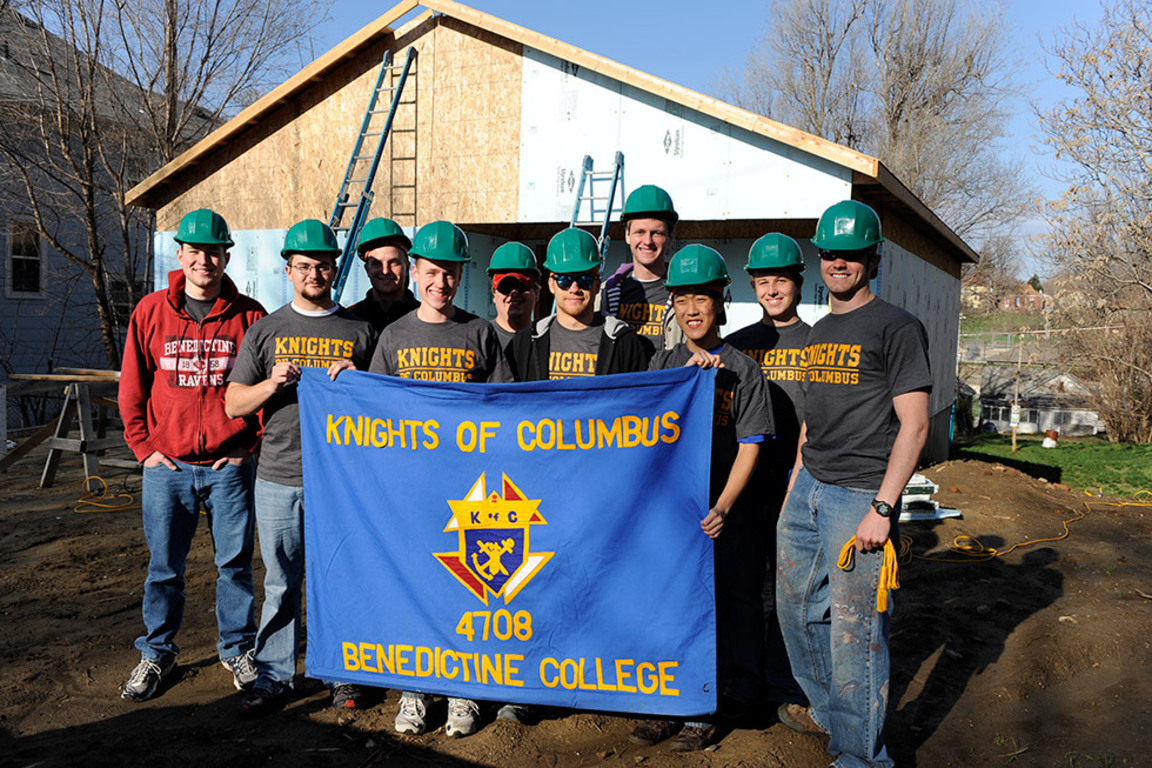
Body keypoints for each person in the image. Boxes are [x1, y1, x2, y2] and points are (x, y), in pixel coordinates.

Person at [775, 200, 931, 768]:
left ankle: (861, 758)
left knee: (856, 631)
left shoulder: (898, 327)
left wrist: (883, 508)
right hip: (809, 488)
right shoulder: (820, 330)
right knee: (795, 607)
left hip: (858, 497)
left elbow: (914, 427)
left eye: (850, 254)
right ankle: (829, 710)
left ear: (872, 258)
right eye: (830, 253)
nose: (838, 262)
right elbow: (814, 418)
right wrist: (796, 482)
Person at [224, 219, 376, 717]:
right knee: (281, 581)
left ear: (336, 269)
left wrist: (363, 381)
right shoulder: (266, 330)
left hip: (343, 480)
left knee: (342, 577)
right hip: (279, 476)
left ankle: (343, 673)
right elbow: (233, 404)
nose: (314, 273)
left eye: (323, 265)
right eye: (304, 265)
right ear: (288, 270)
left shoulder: (360, 329)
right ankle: (273, 676)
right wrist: (270, 385)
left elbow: (390, 405)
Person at [118, 208, 266, 702]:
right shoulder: (151, 312)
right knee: (164, 567)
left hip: (228, 466)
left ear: (227, 256)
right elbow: (132, 387)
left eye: (215, 251)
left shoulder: (249, 315)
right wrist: (144, 449)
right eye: (196, 250)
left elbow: (267, 389)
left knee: (235, 567)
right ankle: (157, 652)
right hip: (169, 467)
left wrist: (248, 444)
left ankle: (238, 649)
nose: (206, 259)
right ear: (180, 254)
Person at [369, 220, 509, 737]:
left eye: (449, 274)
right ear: (415, 273)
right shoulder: (394, 335)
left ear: (459, 276)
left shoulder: (480, 333)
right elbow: (369, 416)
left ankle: (464, 690)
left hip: (467, 490)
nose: (440, 284)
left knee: (466, 590)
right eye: (430, 273)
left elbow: (504, 414)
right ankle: (414, 689)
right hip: (410, 489)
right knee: (414, 587)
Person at [635, 245, 773, 752]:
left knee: (728, 610)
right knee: (671, 606)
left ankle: (710, 707)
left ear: (721, 303)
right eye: (682, 299)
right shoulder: (661, 365)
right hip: (671, 518)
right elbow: (640, 438)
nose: (692, 309)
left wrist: (724, 506)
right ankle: (669, 704)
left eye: (703, 298)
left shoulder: (741, 371)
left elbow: (750, 446)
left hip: (723, 516)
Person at [725, 233, 809, 705]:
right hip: (744, 485)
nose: (772, 290)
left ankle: (784, 685)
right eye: (762, 281)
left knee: (788, 593)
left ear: (798, 282)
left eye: (780, 280)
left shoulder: (818, 343)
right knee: (741, 588)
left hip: (795, 485)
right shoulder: (737, 347)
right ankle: (745, 681)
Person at [509, 228, 650, 381]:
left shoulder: (626, 344)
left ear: (597, 284)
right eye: (564, 280)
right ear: (551, 284)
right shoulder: (524, 344)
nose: (574, 289)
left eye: (585, 279)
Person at [601, 184, 683, 352]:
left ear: (671, 237)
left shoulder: (686, 294)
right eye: (639, 232)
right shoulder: (604, 295)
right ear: (627, 235)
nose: (647, 241)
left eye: (657, 233)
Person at [348, 217, 419, 332]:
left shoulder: (424, 318)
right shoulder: (350, 320)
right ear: (367, 270)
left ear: (407, 268)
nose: (385, 271)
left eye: (394, 263)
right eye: (377, 264)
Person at [487, 241, 540, 355]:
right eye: (506, 287)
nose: (514, 293)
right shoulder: (480, 338)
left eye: (520, 286)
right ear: (494, 293)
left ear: (536, 293)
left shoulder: (545, 341)